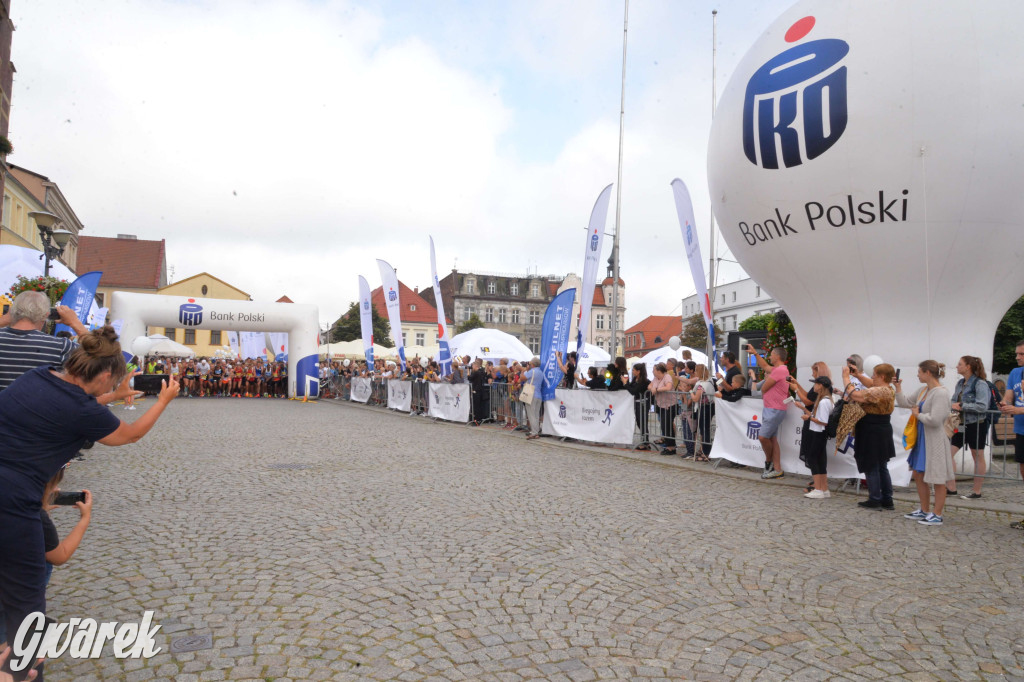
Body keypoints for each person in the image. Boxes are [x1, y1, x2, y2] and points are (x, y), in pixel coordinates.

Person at [0, 327, 178, 680]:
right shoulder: (80, 409)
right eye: (110, 384)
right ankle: (17, 671)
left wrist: (112, 397)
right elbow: (130, 434)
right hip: (12, 500)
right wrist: (162, 401)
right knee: (27, 599)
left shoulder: (36, 377)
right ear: (108, 374)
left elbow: (65, 408)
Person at [897, 360, 955, 526]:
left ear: (927, 373)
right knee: (919, 474)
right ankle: (924, 509)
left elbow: (936, 420)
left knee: (937, 477)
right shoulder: (924, 391)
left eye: (920, 372)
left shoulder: (941, 393)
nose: (917, 375)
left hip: (934, 439)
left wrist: (918, 415)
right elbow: (904, 402)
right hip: (922, 437)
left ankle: (937, 513)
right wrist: (898, 389)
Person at [0, 292, 87, 391]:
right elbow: (99, 353)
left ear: (12, 312)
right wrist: (75, 322)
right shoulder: (61, 346)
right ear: (45, 315)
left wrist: (2, 320)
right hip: (41, 406)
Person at [844, 362, 897, 510]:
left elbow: (855, 395)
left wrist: (846, 377)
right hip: (882, 428)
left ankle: (874, 498)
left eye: (874, 374)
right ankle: (887, 498)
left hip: (872, 430)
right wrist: (858, 375)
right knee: (881, 465)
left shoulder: (879, 391)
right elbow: (871, 384)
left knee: (871, 464)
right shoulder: (888, 388)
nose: (872, 377)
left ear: (882, 376)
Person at [950, 356, 991, 499]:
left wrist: (962, 406)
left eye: (959, 364)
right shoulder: (960, 383)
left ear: (968, 367)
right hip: (960, 424)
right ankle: (951, 487)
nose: (957, 366)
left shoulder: (980, 384)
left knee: (977, 455)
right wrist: (952, 405)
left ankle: (977, 490)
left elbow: (982, 406)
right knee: (948, 453)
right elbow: (954, 400)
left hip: (976, 424)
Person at [746, 344, 790, 479]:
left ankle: (769, 462)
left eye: (771, 354)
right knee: (772, 439)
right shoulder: (780, 369)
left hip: (774, 409)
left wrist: (764, 388)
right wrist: (755, 353)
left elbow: (764, 388)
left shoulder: (780, 370)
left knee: (763, 437)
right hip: (772, 408)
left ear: (777, 356)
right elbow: (765, 367)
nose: (769, 357)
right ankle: (777, 469)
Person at [1001, 340, 1024, 529]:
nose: (1017, 357)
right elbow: (1009, 396)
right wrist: (1005, 404)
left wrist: (1019, 410)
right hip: (1021, 430)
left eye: (1022, 354)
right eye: (1017, 353)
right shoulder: (1015, 373)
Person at [799, 376, 834, 498]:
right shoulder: (825, 400)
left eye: (816, 384)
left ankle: (818, 489)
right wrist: (803, 409)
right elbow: (816, 416)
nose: (814, 386)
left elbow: (823, 421)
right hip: (818, 432)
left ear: (821, 386)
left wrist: (809, 418)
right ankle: (824, 489)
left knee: (813, 459)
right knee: (820, 460)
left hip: (819, 432)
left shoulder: (824, 402)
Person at [689, 365, 716, 461]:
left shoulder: (703, 384)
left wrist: (691, 392)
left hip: (705, 407)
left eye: (696, 371)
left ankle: (706, 452)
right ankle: (704, 450)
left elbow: (696, 398)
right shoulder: (709, 381)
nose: (695, 373)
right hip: (707, 407)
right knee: (704, 430)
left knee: (705, 430)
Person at [650, 363, 678, 455]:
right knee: (664, 426)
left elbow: (668, 387)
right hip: (660, 404)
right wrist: (653, 388)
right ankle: (669, 445)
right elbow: (649, 386)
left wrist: (657, 389)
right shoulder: (656, 378)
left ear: (658, 371)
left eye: (654, 370)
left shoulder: (667, 377)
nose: (652, 371)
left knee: (667, 426)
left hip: (669, 404)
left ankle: (671, 447)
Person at [626, 363, 651, 450]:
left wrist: (626, 384)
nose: (632, 372)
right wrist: (626, 383)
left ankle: (645, 442)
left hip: (643, 403)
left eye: (633, 370)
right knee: (639, 422)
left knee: (642, 422)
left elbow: (634, 391)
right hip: (636, 403)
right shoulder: (634, 379)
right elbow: (631, 387)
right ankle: (644, 441)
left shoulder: (644, 381)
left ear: (638, 371)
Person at [522, 358, 543, 440]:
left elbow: (522, 378)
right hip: (538, 395)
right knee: (536, 415)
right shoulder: (540, 372)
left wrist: (525, 370)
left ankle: (534, 432)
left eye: (530, 364)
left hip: (531, 395)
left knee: (531, 415)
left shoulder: (532, 371)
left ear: (533, 364)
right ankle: (536, 432)